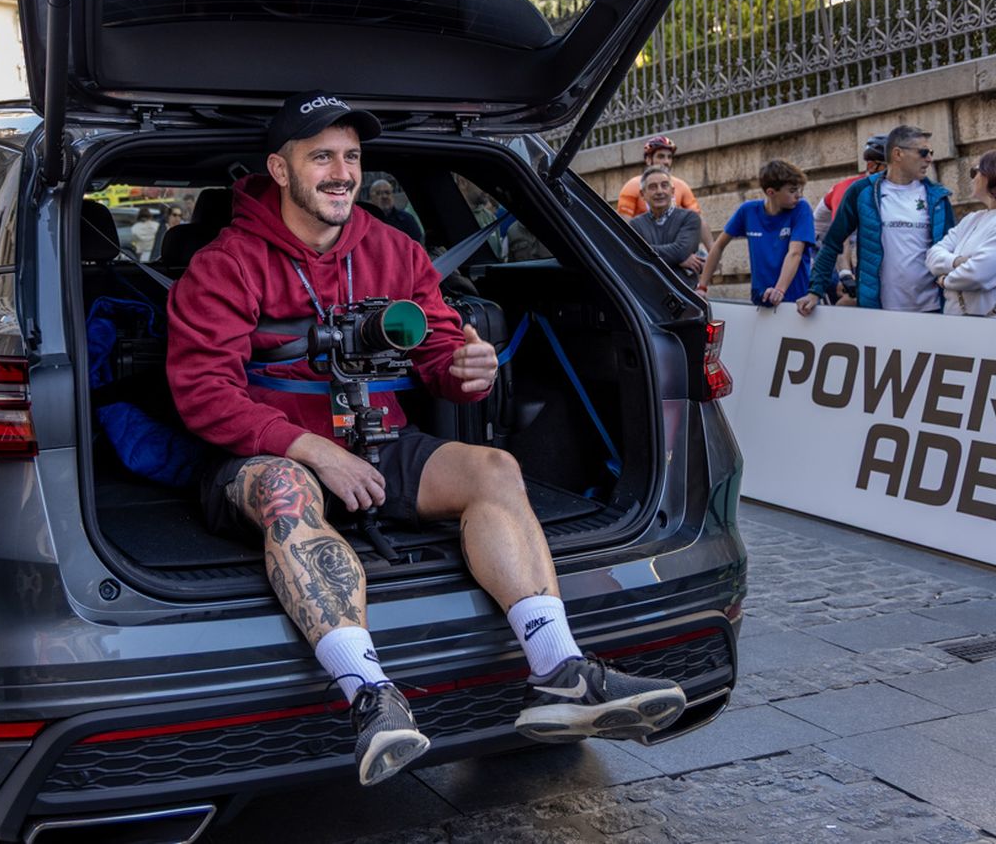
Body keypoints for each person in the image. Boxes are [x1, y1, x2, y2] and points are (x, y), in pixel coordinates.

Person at [165, 91, 688, 787]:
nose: (341, 172)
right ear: (280, 170)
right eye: (320, 156)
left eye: (351, 156)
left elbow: (440, 354)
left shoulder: (393, 249)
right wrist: (313, 449)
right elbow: (203, 392)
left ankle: (560, 671)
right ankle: (372, 700)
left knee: (495, 467)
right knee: (288, 489)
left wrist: (468, 369)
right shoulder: (225, 264)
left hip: (378, 437)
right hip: (267, 454)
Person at [796, 125, 956, 315]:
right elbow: (832, 243)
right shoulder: (862, 191)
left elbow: (950, 250)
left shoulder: (938, 197)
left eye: (930, 152)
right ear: (898, 154)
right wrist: (815, 291)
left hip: (933, 308)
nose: (929, 159)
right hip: (879, 310)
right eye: (923, 152)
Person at [924, 148, 996, 321]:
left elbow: (977, 274)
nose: (973, 178)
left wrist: (945, 280)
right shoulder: (973, 219)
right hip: (960, 326)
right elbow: (932, 256)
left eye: (976, 171)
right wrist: (958, 261)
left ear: (994, 174)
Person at [697, 160, 815, 306]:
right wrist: (702, 287)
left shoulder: (801, 208)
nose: (799, 195)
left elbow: (795, 253)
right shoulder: (748, 211)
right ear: (771, 192)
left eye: (799, 190)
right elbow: (719, 245)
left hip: (795, 300)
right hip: (761, 298)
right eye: (792, 191)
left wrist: (779, 290)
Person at [616, 135, 713, 255]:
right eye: (661, 156)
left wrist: (713, 253)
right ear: (648, 160)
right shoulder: (632, 186)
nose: (666, 162)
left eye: (669, 157)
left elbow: (700, 222)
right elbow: (624, 229)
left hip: (675, 248)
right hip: (646, 252)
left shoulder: (681, 186)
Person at [629, 167, 702, 284]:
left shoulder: (690, 218)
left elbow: (681, 251)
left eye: (664, 185)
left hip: (684, 292)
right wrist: (677, 259)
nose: (659, 191)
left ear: (673, 191)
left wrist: (646, 252)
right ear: (643, 194)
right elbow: (635, 256)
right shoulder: (635, 224)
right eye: (653, 187)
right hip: (649, 291)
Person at [814, 133, 887, 243]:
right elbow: (840, 237)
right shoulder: (848, 189)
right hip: (819, 245)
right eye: (890, 167)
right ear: (871, 166)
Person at [368, 179, 424, 244]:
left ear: (392, 195)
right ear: (371, 198)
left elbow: (417, 246)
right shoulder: (367, 223)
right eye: (378, 193)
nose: (384, 196)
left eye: (387, 192)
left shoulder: (407, 219)